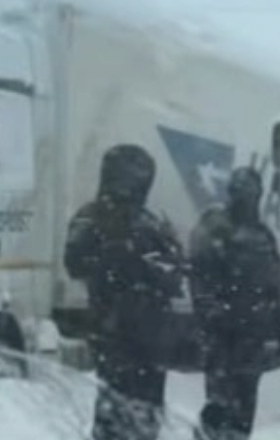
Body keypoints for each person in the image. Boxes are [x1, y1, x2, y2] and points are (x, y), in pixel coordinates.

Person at [63, 144, 186, 440]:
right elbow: (75, 262)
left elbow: (176, 275)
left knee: (142, 420)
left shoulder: (148, 222)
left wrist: (163, 262)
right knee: (115, 419)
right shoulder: (93, 218)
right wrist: (123, 257)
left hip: (147, 341)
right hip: (118, 337)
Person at [190, 166, 280, 440]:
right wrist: (213, 316)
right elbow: (200, 279)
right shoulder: (216, 229)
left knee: (244, 409)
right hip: (223, 338)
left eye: (250, 193)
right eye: (241, 192)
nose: (246, 199)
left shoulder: (262, 235)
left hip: (252, 338)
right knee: (219, 407)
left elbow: (275, 282)